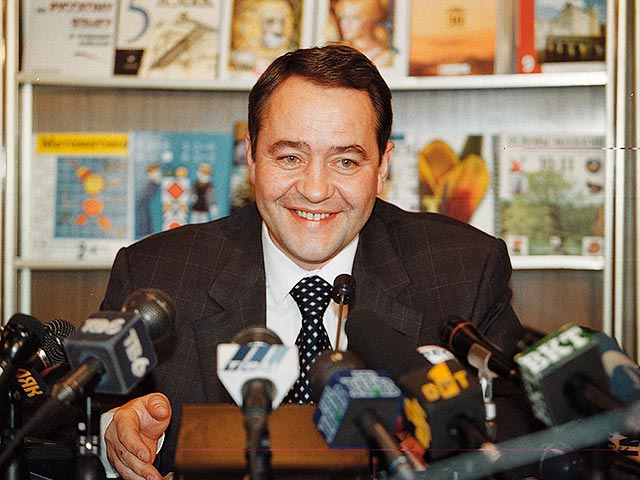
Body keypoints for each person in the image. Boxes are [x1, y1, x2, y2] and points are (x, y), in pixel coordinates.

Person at [100, 44, 535, 479]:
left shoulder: (462, 270)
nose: (314, 189)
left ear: (382, 166)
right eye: (290, 157)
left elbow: (522, 426)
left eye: (345, 161)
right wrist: (117, 438)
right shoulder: (157, 275)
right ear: (251, 156)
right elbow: (87, 420)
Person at [328, 0, 395, 68]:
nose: (346, 24)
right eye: (343, 17)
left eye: (355, 18)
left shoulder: (384, 57)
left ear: (370, 20)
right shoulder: (338, 52)